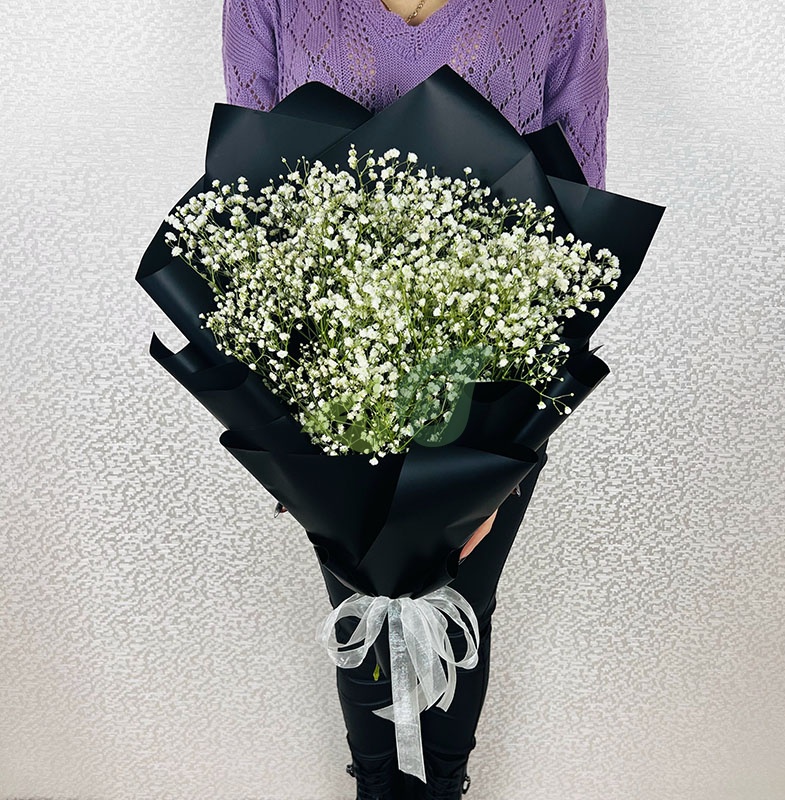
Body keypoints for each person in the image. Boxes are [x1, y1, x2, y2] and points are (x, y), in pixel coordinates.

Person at [221, 1, 608, 796]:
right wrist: (287, 424)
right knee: (364, 613)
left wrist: (498, 452)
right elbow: (247, 192)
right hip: (333, 384)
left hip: (494, 376)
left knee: (464, 606)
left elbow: (580, 199)